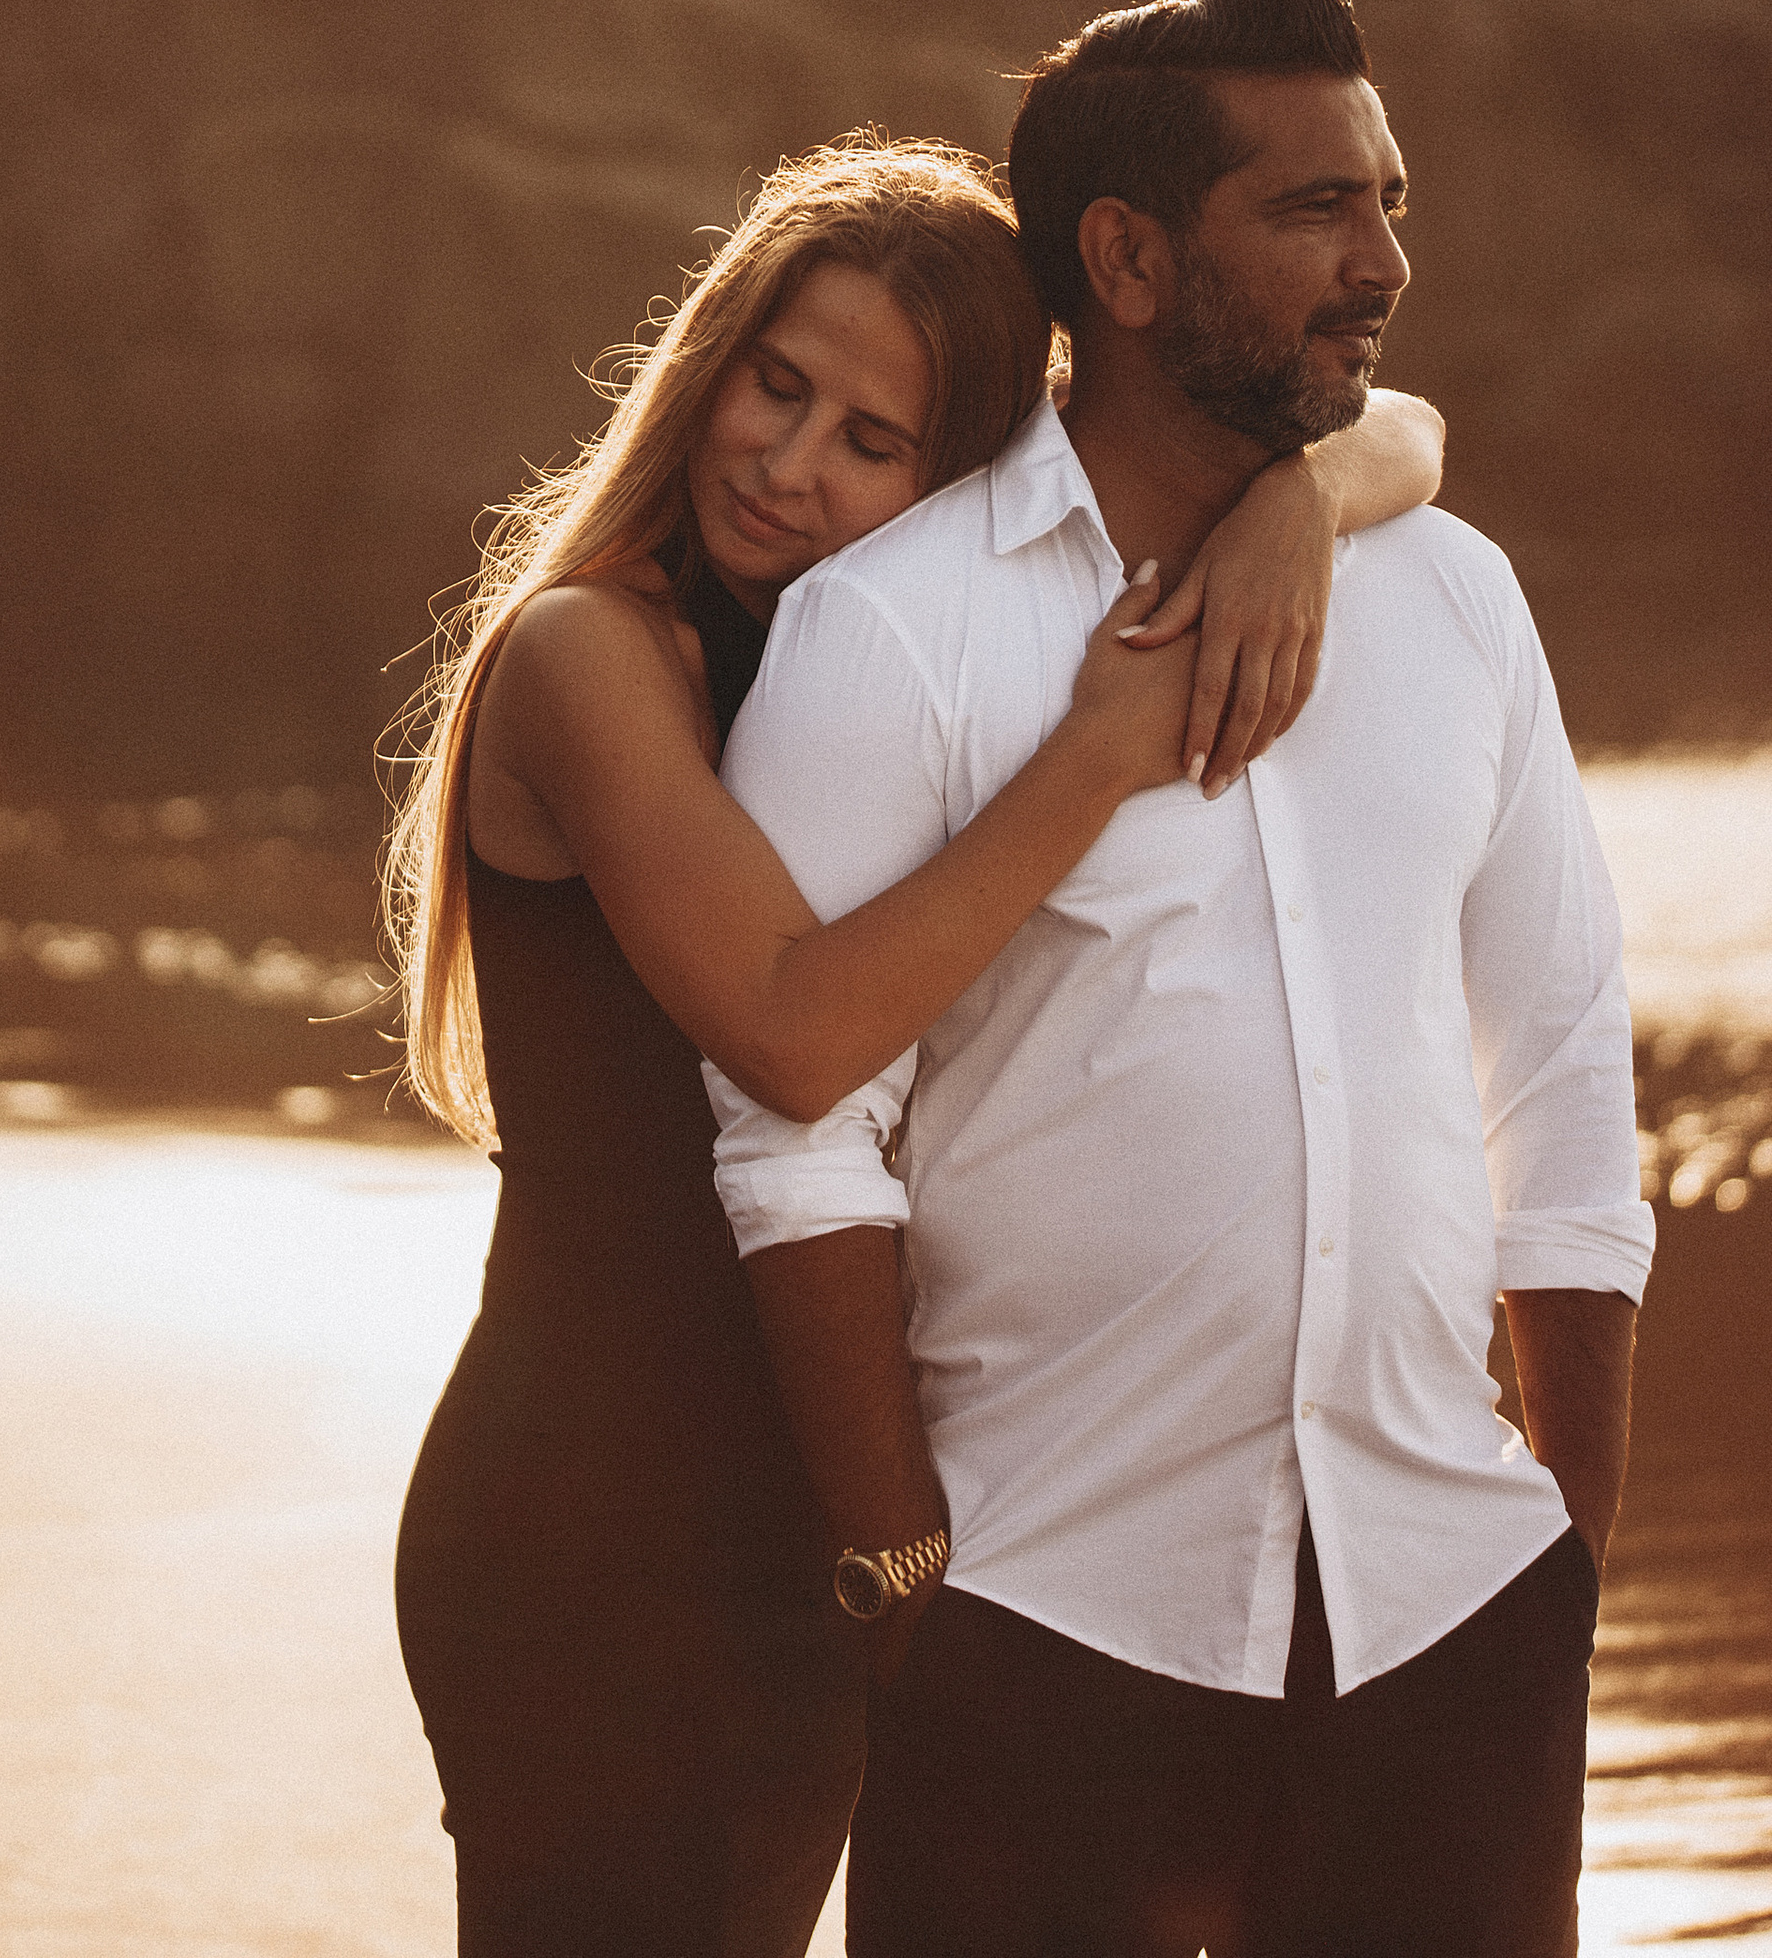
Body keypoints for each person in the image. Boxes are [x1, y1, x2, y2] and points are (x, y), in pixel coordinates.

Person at [387, 125, 1449, 1958]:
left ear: (962, 483)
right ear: (707, 364)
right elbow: (800, 1037)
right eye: (774, 388)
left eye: (871, 442)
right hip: (598, 1547)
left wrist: (1295, 496)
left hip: (808, 1528)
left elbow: (1417, 430)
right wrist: (1103, 754)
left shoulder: (867, 671)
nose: (789, 465)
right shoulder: (589, 657)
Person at [710, 0, 1651, 1958]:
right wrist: (900, 1582)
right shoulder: (891, 632)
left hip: (1444, 1614)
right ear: (1127, 262)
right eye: (1315, 209)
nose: (1382, 259)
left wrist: (1564, 1552)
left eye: (1385, 198)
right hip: (1045, 1622)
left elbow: (1558, 1070)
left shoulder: (1456, 600)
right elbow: (798, 1143)